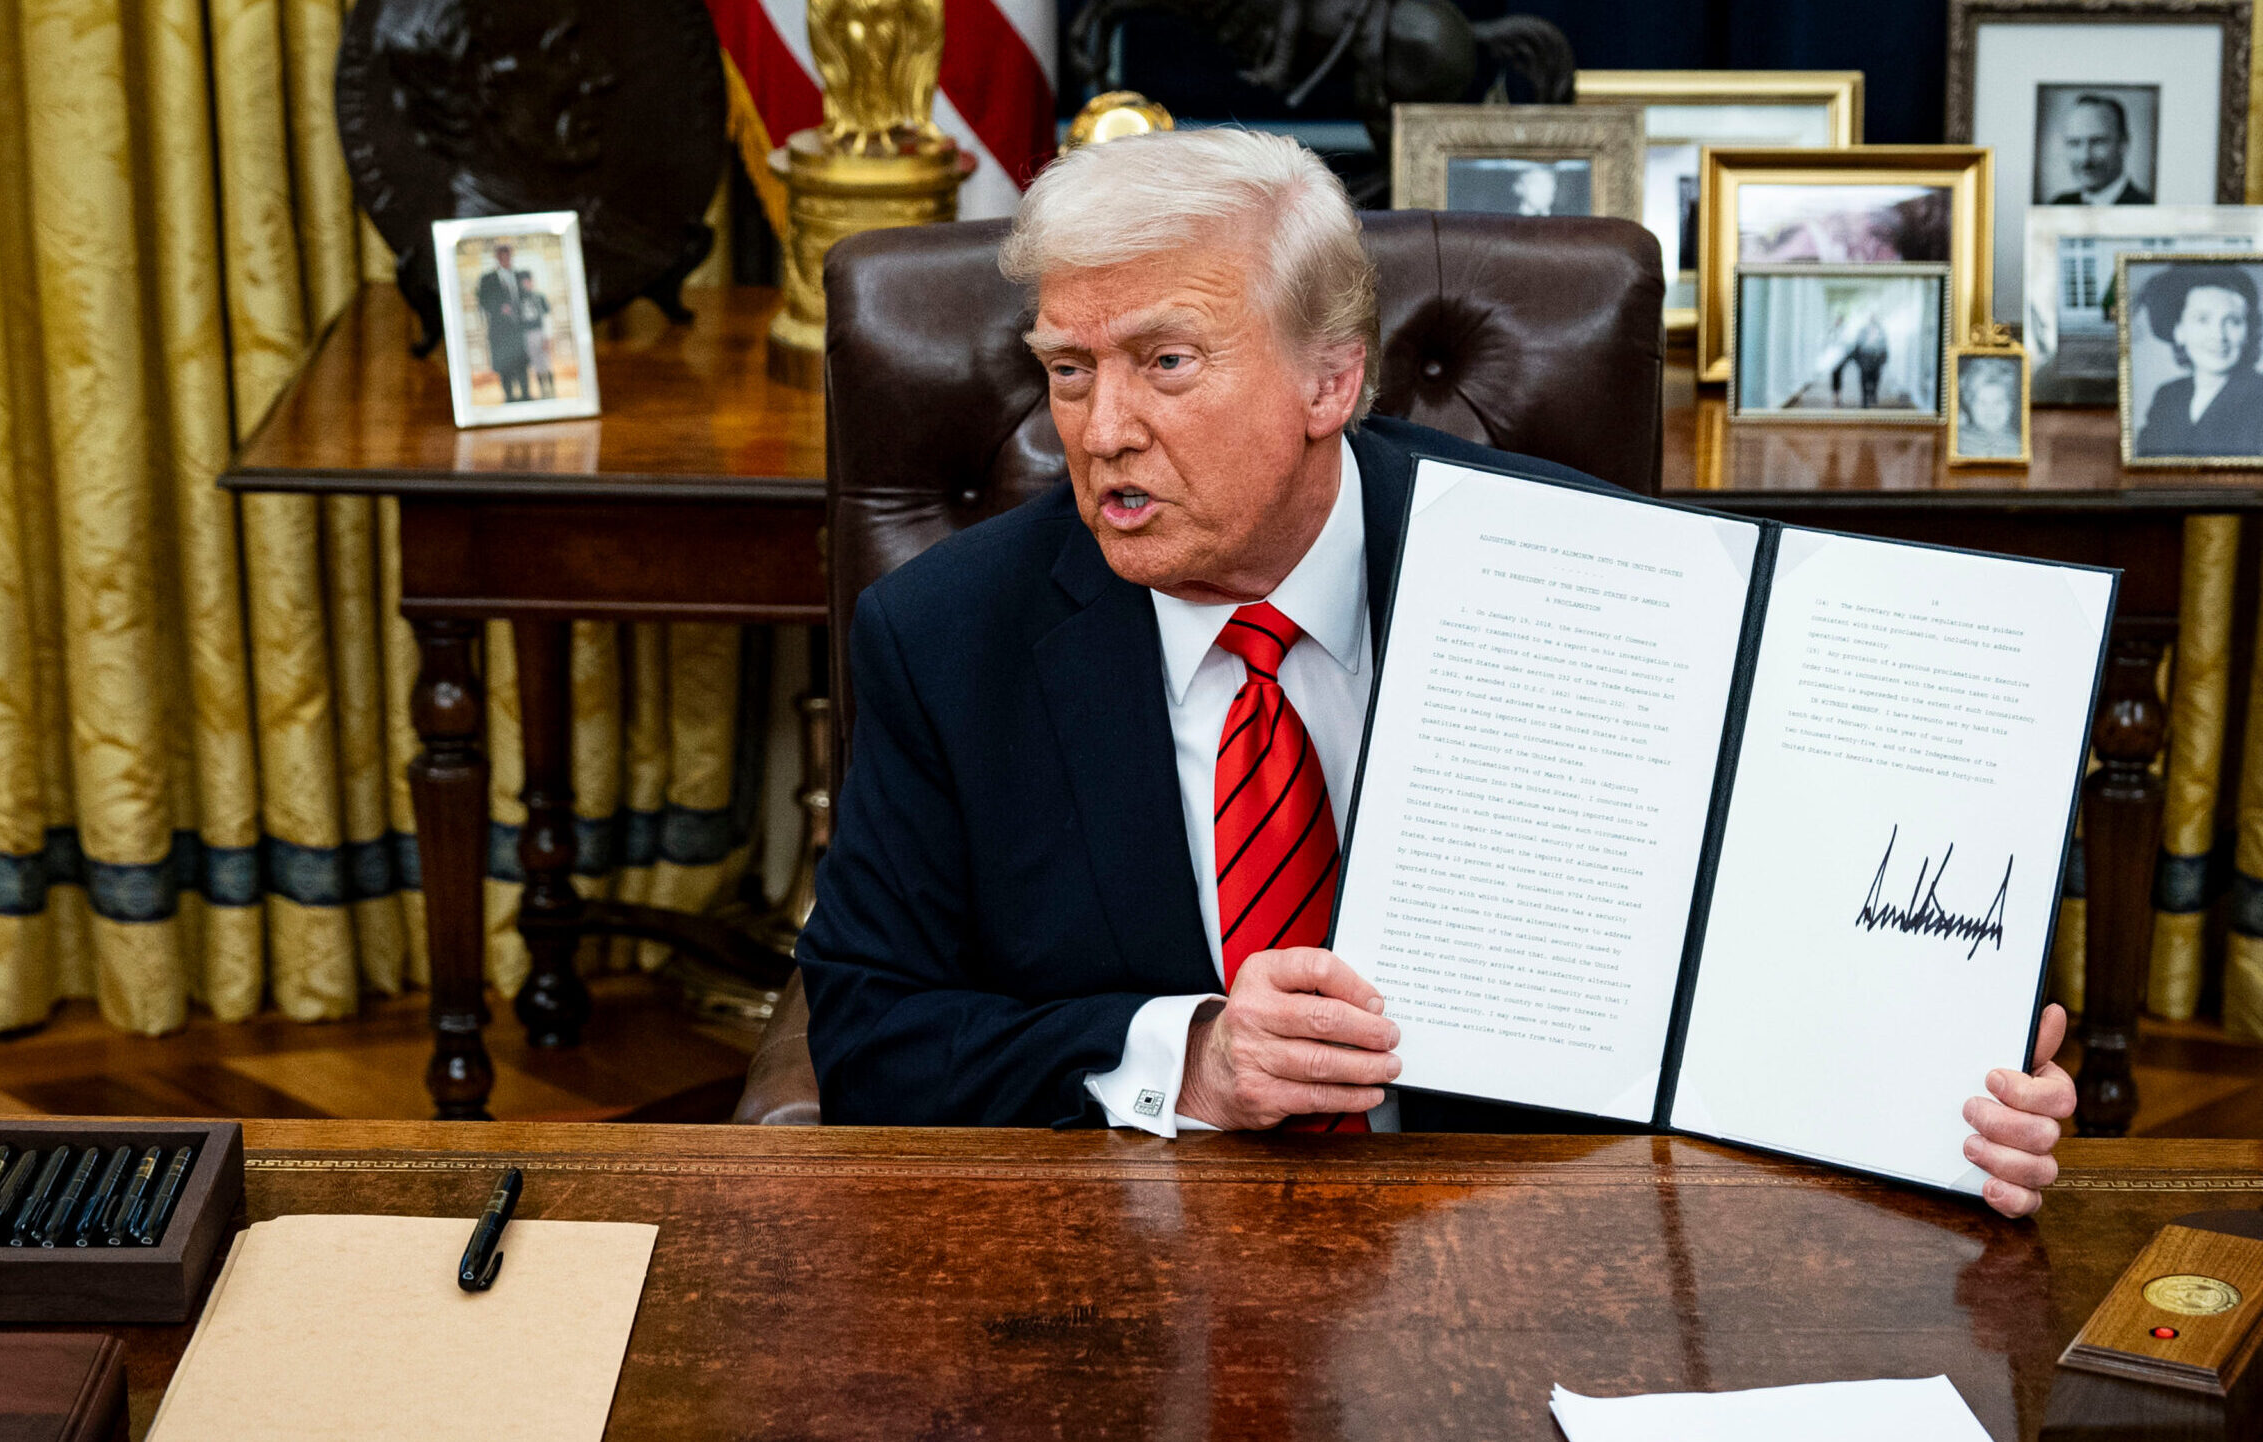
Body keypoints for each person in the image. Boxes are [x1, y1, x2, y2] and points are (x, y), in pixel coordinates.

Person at [794, 128, 2074, 1219]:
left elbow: (1758, 944)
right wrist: (1189, 1059)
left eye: (1165, 360)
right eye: (1069, 371)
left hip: (1525, 1232)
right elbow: (868, 1037)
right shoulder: (947, 637)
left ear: (1330, 380)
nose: (1102, 428)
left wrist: (1944, 1090)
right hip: (1140, 1259)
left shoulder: (1586, 577)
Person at [2133, 263, 2263, 457]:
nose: (2219, 335)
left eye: (2234, 321)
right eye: (2202, 319)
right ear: (2179, 330)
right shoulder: (2167, 396)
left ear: (2248, 332)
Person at [2047, 94, 2152, 206]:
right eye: (2075, 143)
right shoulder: (2059, 205)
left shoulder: (2146, 206)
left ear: (2123, 144)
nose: (2085, 158)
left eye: (2097, 142)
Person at [475, 243, 532, 402]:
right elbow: (483, 301)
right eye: (502, 256)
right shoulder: (488, 279)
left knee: (521, 362)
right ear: (497, 258)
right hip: (499, 329)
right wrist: (499, 308)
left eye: (508, 256)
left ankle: (526, 394)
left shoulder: (521, 275)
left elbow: (529, 297)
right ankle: (509, 397)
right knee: (504, 363)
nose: (506, 259)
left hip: (519, 327)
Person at [1956, 357, 2025, 459]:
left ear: (2011, 404)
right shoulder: (1959, 441)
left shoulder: (2020, 445)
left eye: (1998, 402)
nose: (1990, 409)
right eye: (1982, 402)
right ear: (1969, 404)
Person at [518, 272, 556, 399]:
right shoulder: (519, 299)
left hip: (541, 332)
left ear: (532, 282)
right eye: (523, 283)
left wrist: (547, 336)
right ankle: (543, 391)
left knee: (546, 362)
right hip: (528, 334)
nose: (526, 285)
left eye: (528, 282)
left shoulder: (540, 297)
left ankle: (551, 389)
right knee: (536, 364)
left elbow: (547, 317)